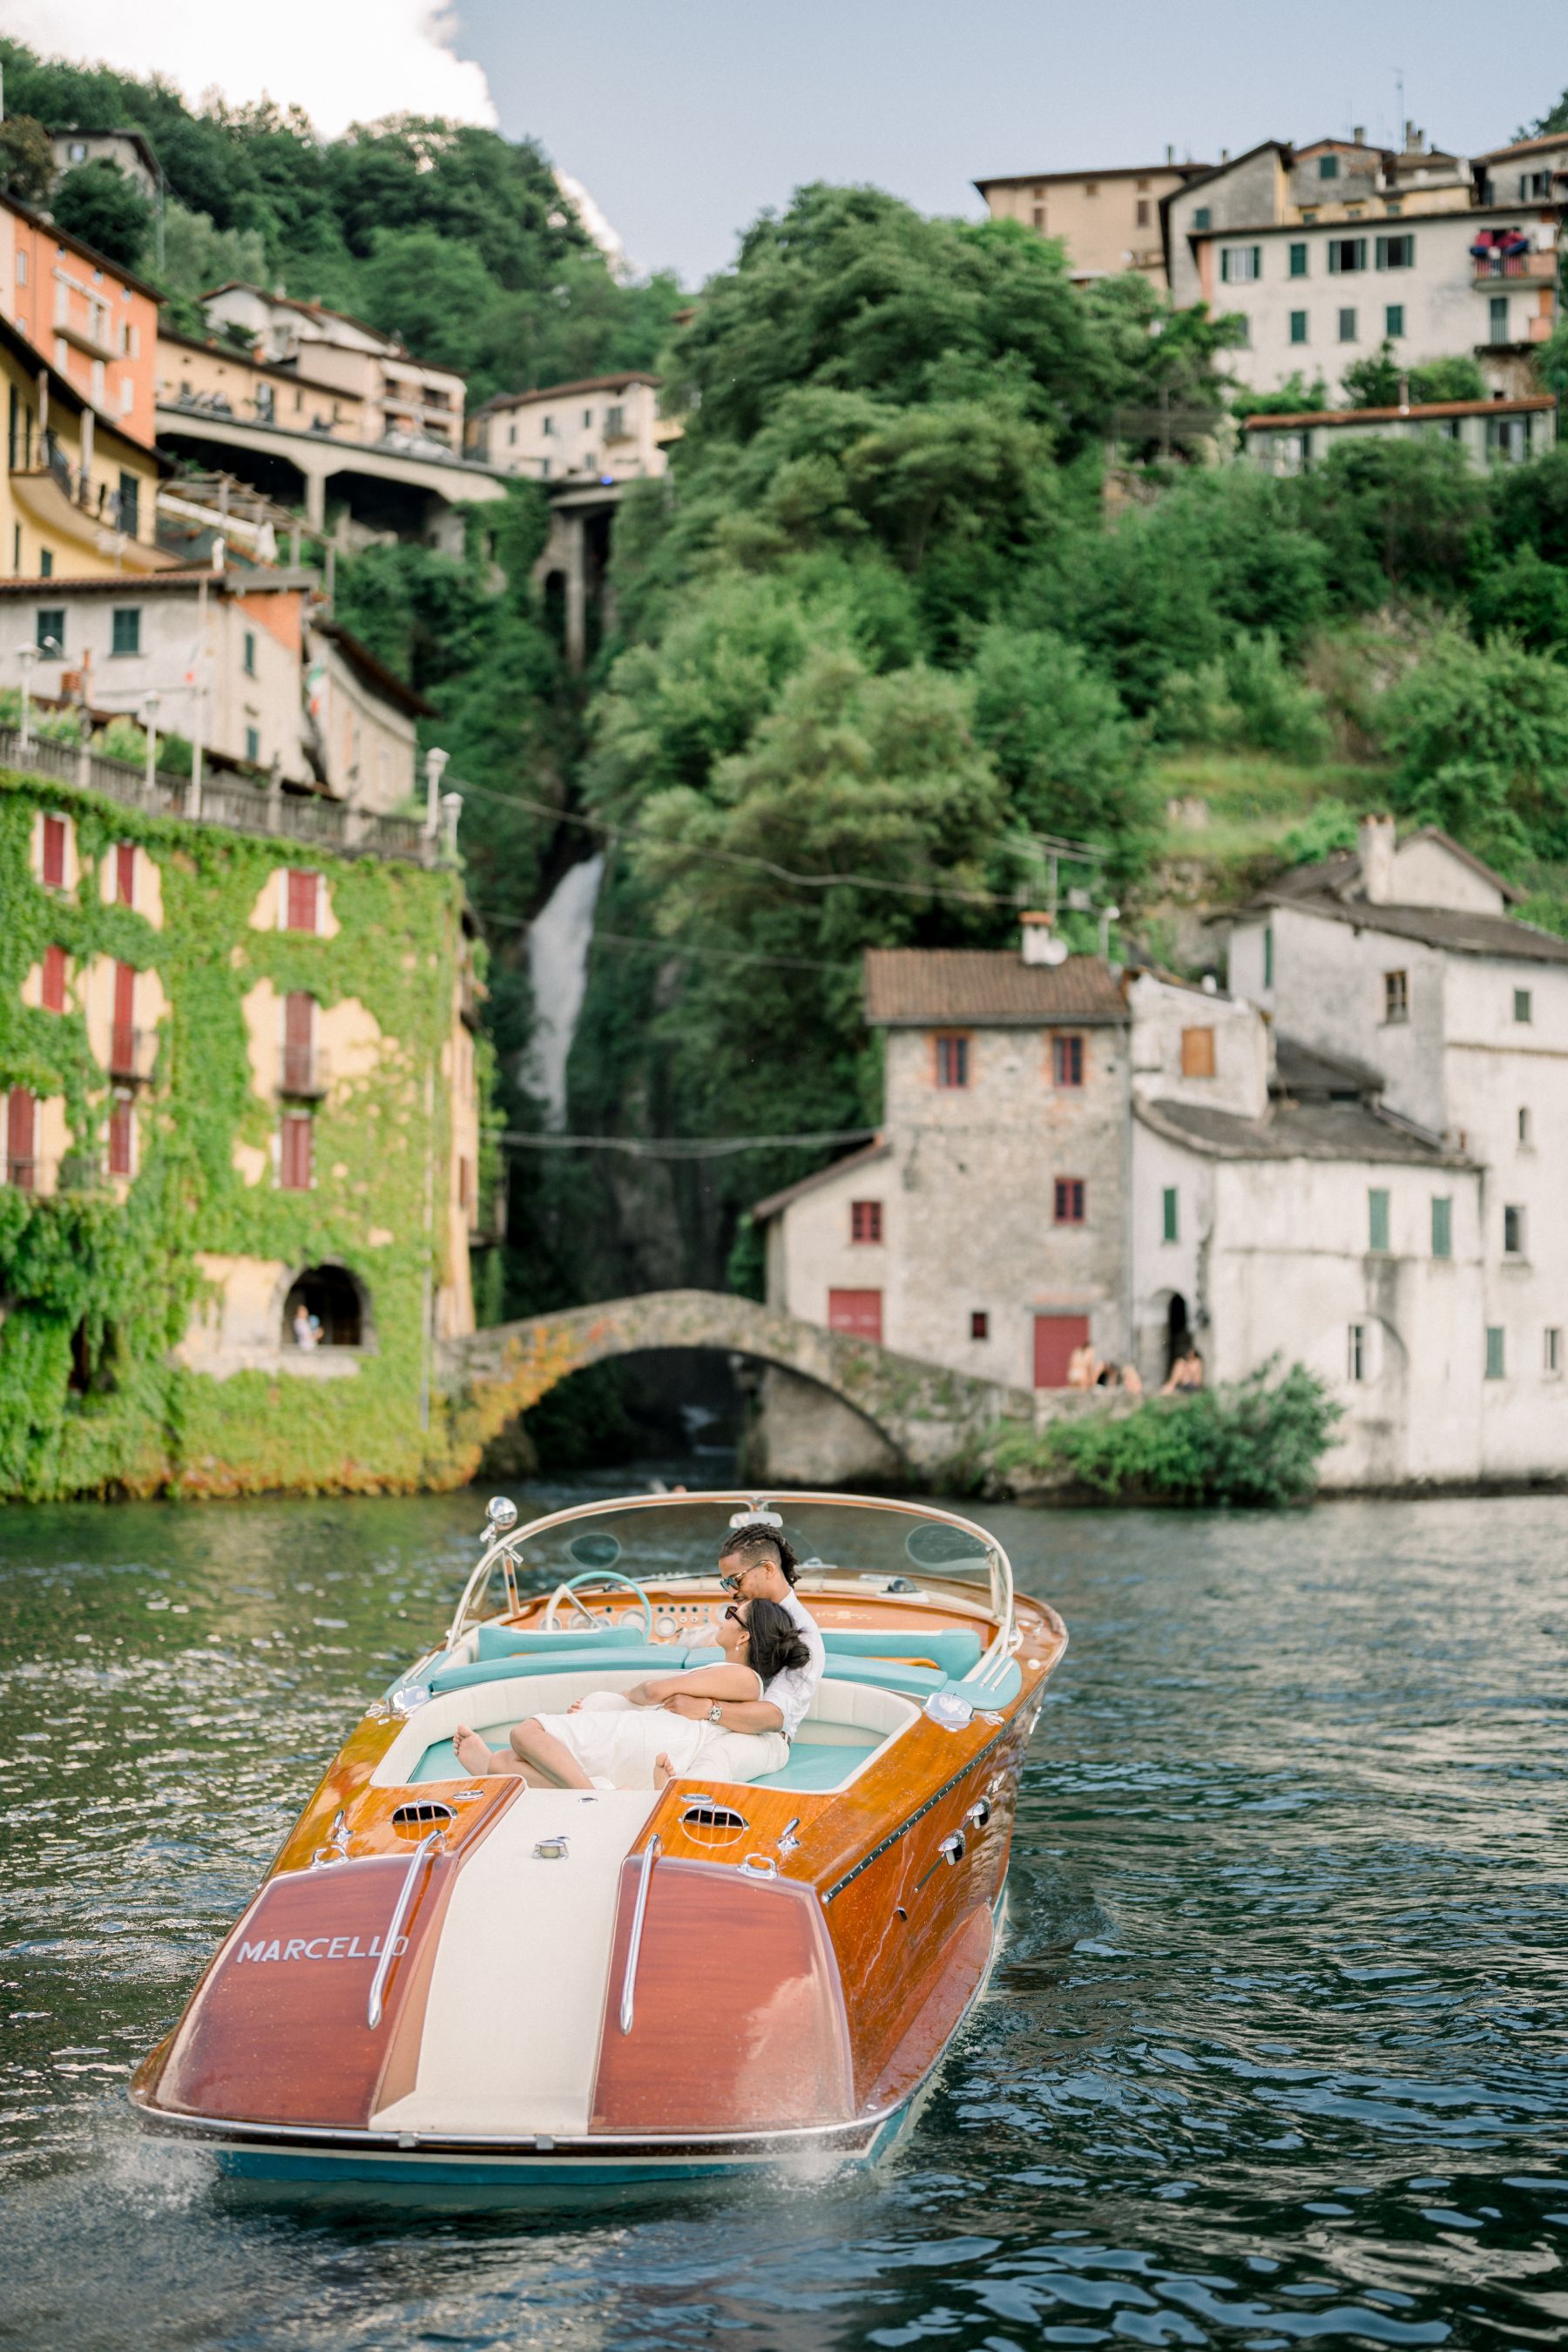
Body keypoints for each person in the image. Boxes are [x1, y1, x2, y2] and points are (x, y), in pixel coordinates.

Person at [452, 1595, 810, 1791]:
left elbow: (654, 1691)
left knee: (526, 1732)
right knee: (504, 1764)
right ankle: (597, 1789)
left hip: (649, 1738)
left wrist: (628, 1695)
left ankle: (591, 1798)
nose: (725, 1617)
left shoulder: (743, 1677)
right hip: (651, 1752)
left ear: (744, 1636)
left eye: (733, 1613)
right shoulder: (739, 1684)